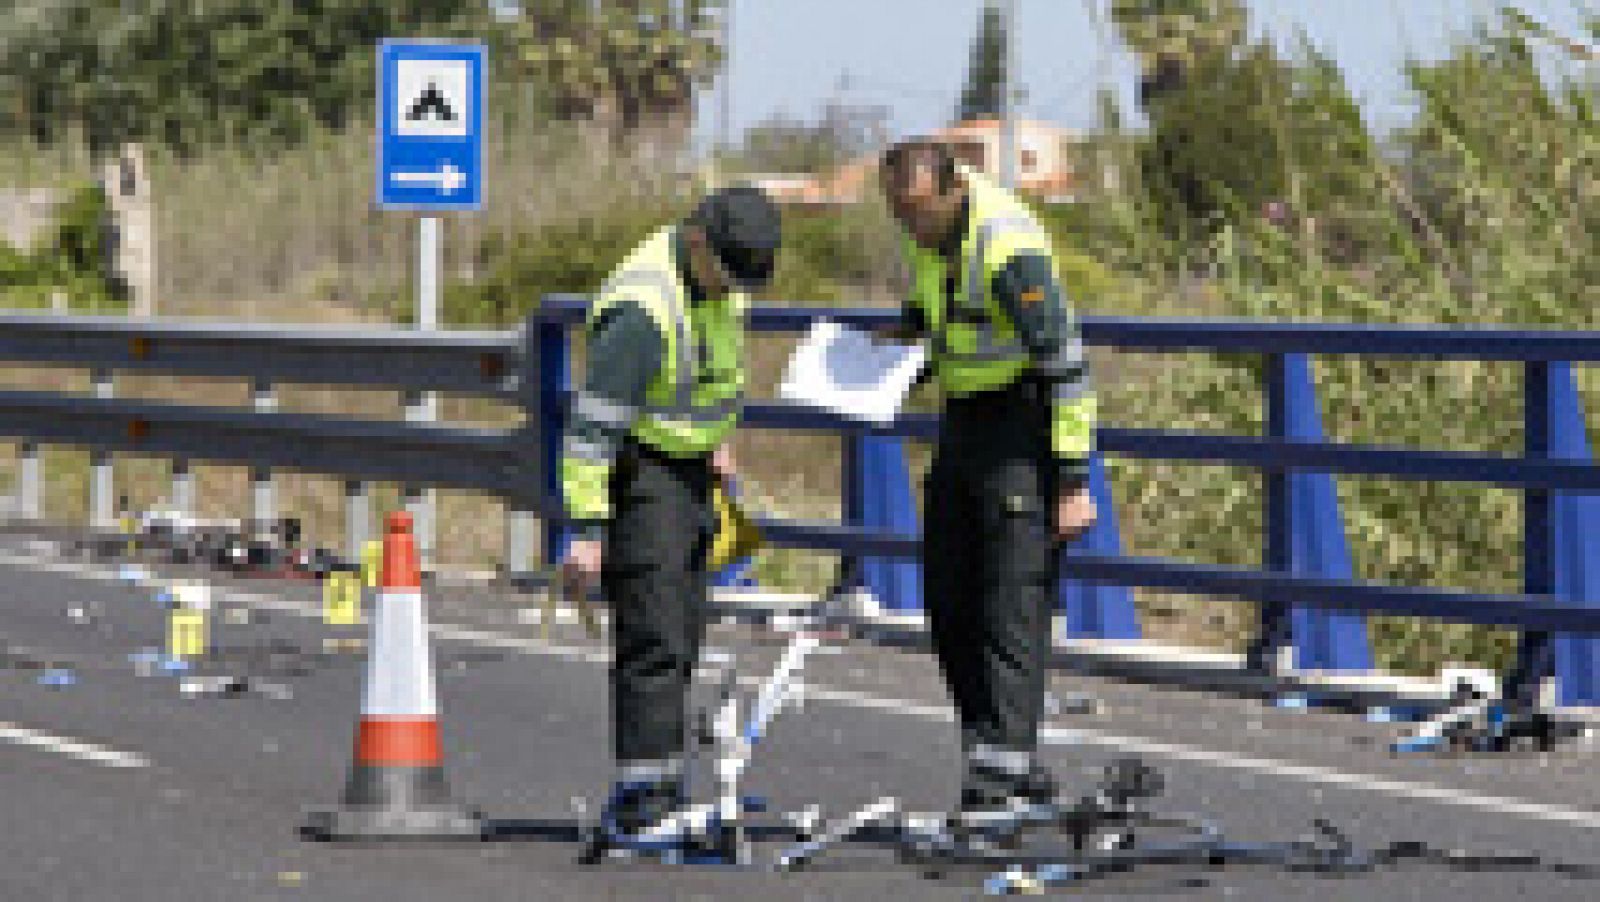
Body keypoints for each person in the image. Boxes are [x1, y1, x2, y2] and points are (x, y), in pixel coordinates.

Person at [874, 139, 1098, 830]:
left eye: (918, 213)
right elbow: (936, 311)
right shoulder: (926, 234)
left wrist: (1071, 482)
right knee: (948, 597)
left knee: (1011, 604)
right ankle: (994, 756)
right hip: (965, 423)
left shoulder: (1007, 249)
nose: (910, 228)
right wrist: (888, 349)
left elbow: (1066, 366)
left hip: (1022, 429)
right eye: (898, 215)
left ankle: (999, 780)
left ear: (952, 191)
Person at [557, 184, 781, 843]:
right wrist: (589, 533)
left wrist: (717, 442)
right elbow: (591, 431)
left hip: (690, 470)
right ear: (697, 242)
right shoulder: (642, 310)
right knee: (654, 634)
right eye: (728, 273)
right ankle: (641, 796)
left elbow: (709, 376)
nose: (734, 289)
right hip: (641, 469)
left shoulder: (719, 285)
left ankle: (661, 781)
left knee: (682, 630)